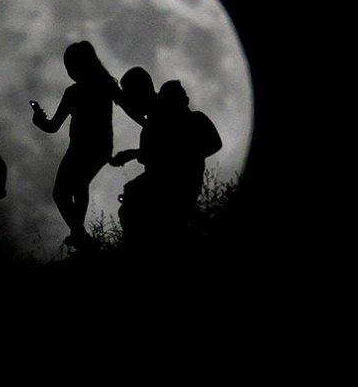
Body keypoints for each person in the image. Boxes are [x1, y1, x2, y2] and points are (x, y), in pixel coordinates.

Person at [111, 80, 222, 247]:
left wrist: (182, 154)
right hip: (163, 182)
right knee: (131, 197)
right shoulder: (160, 126)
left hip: (182, 184)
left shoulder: (195, 119)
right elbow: (151, 157)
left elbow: (214, 144)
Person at [32, 41, 119, 250]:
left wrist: (38, 120)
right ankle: (79, 233)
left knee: (66, 191)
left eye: (71, 66)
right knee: (77, 187)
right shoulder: (104, 85)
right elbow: (53, 126)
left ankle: (80, 234)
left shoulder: (80, 91)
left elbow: (52, 126)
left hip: (86, 147)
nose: (70, 72)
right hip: (94, 147)